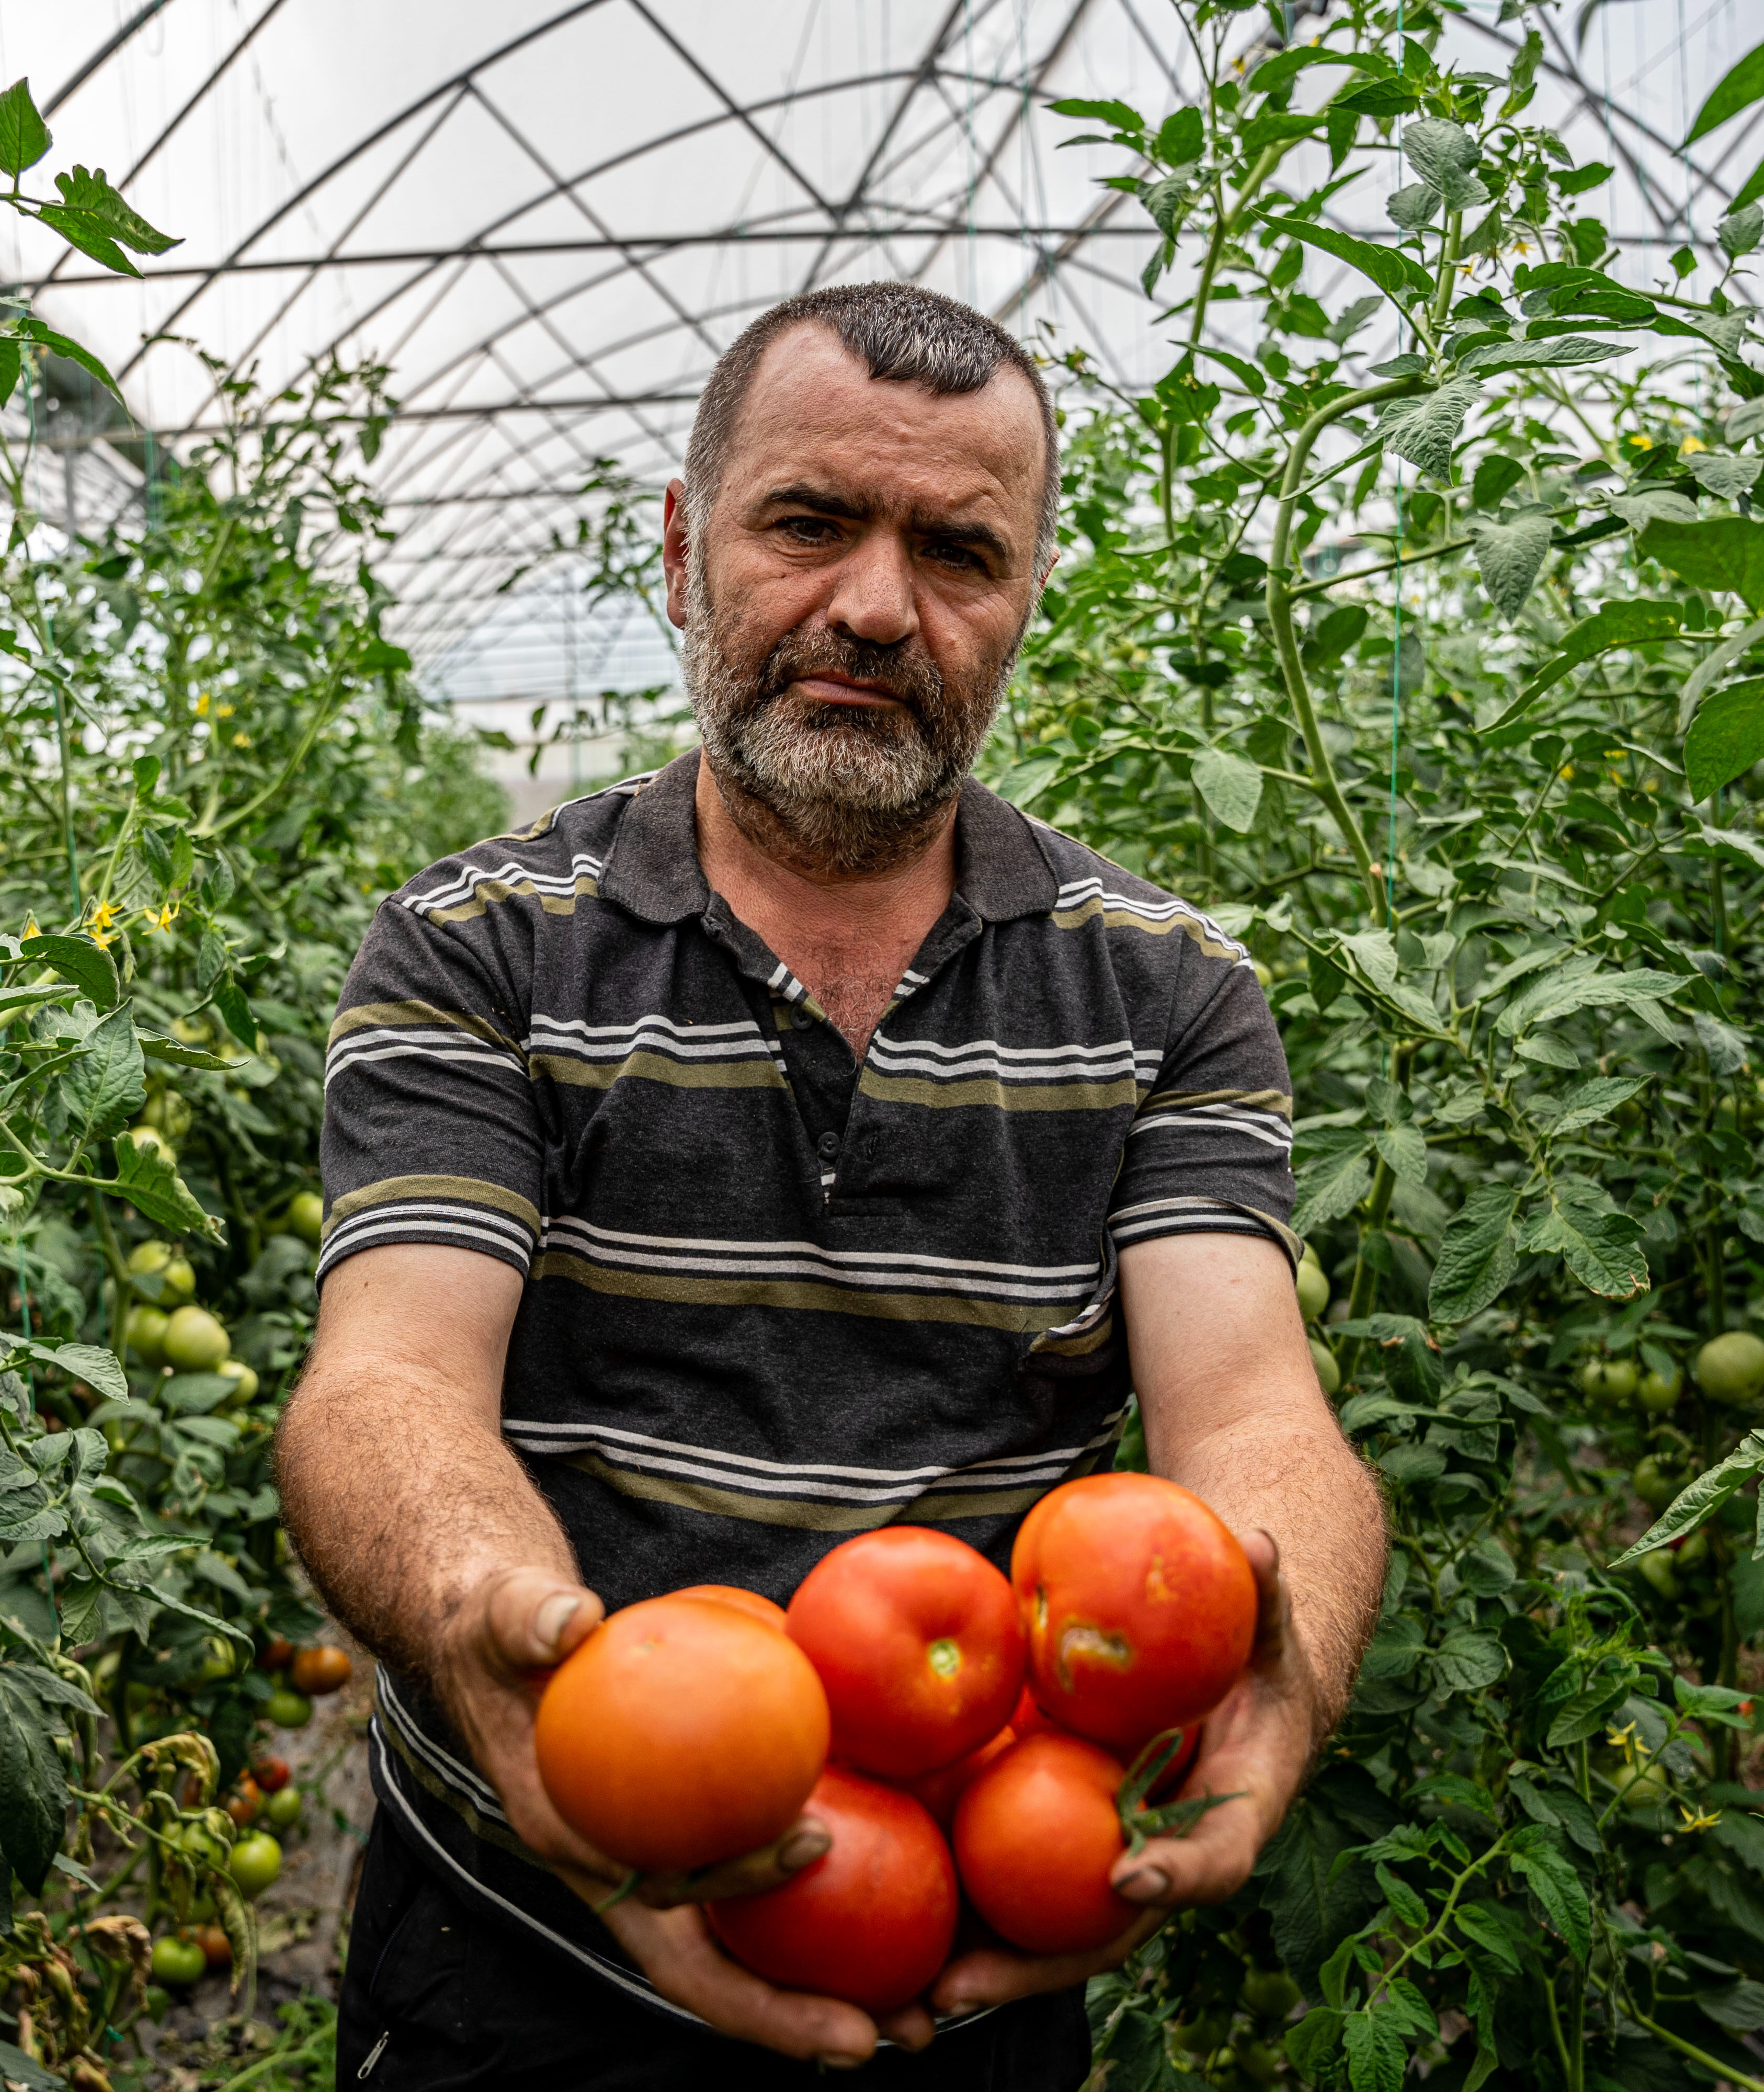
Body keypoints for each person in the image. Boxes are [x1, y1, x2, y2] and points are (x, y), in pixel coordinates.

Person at [280, 281, 1386, 2089]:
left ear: (1027, 599)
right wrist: (498, 1622)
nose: (877, 608)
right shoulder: (480, 949)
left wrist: (1287, 1659)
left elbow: (1255, 1410)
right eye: (807, 523)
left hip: (966, 1941)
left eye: (960, 551)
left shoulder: (1168, 990)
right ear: (679, 550)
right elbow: (390, 1382)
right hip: (517, 1940)